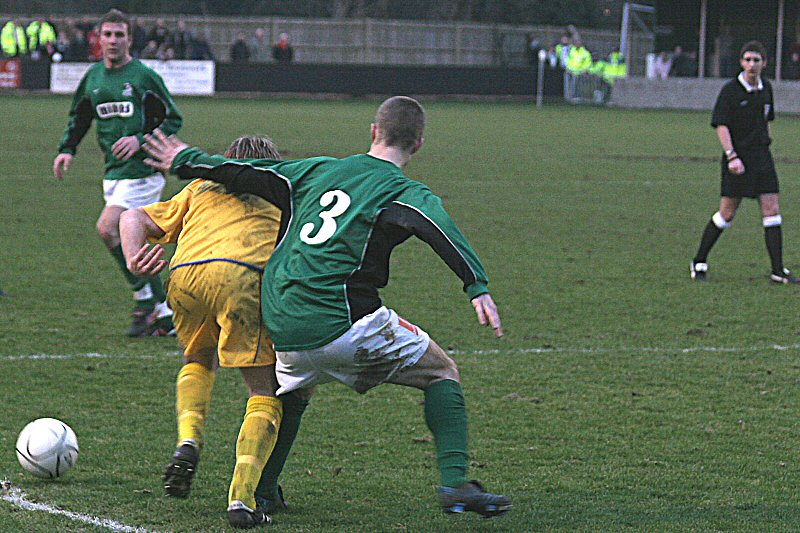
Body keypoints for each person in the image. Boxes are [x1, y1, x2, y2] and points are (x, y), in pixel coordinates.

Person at [142, 95, 512, 520]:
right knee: (441, 371)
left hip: (281, 319)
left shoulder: (318, 169)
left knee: (295, 393)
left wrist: (184, 158)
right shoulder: (404, 190)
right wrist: (476, 285)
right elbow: (436, 227)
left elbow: (246, 171)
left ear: (374, 131)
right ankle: (455, 485)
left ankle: (263, 491)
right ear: (419, 144)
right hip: (340, 320)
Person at [120, 135, 312, 528]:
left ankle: (188, 440)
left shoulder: (199, 186)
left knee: (197, 359)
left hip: (185, 276)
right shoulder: (283, 194)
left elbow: (131, 217)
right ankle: (242, 499)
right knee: (265, 390)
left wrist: (133, 256)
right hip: (244, 277)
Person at [53, 9, 182, 336]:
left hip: (143, 172)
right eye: (107, 34)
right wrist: (68, 149)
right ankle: (162, 312)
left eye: (119, 35)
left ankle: (147, 301)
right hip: (113, 174)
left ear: (129, 38)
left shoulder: (142, 77)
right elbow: (80, 116)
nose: (113, 41)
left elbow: (172, 119)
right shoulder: (94, 78)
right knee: (129, 242)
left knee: (108, 227)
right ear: (99, 38)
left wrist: (139, 139)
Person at [691, 41, 797, 284]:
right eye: (748, 59)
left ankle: (778, 271)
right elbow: (721, 124)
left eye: (756, 60)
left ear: (764, 63)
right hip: (738, 159)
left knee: (772, 210)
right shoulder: (730, 90)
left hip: (762, 158)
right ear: (741, 62)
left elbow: (767, 118)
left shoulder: (766, 88)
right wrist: (732, 156)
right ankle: (699, 261)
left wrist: (766, 141)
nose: (752, 64)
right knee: (727, 213)